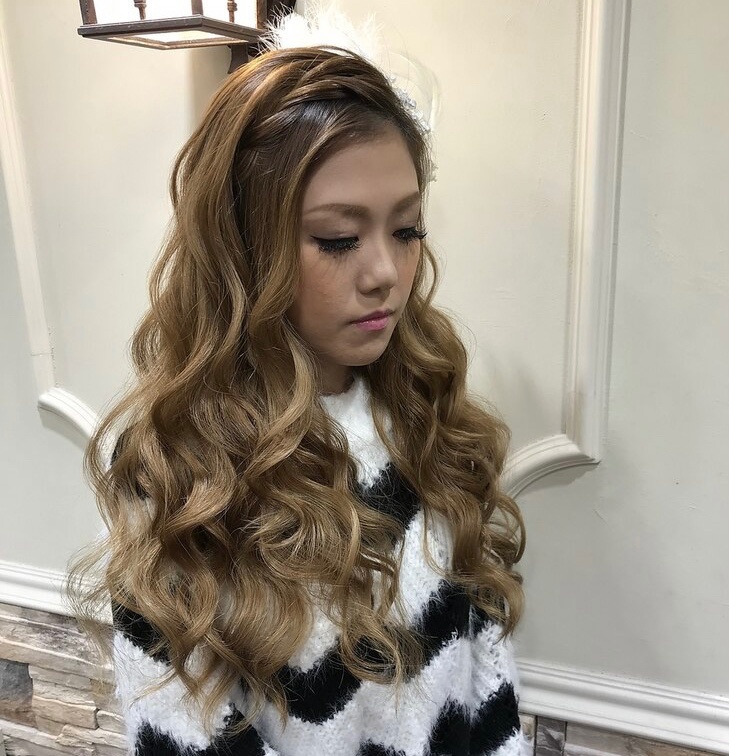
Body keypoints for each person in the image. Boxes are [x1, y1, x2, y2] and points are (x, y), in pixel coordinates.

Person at [65, 35, 527, 756]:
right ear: (244, 248)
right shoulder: (181, 477)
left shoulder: (426, 421)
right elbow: (185, 731)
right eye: (339, 239)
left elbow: (486, 683)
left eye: (408, 229)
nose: (386, 272)